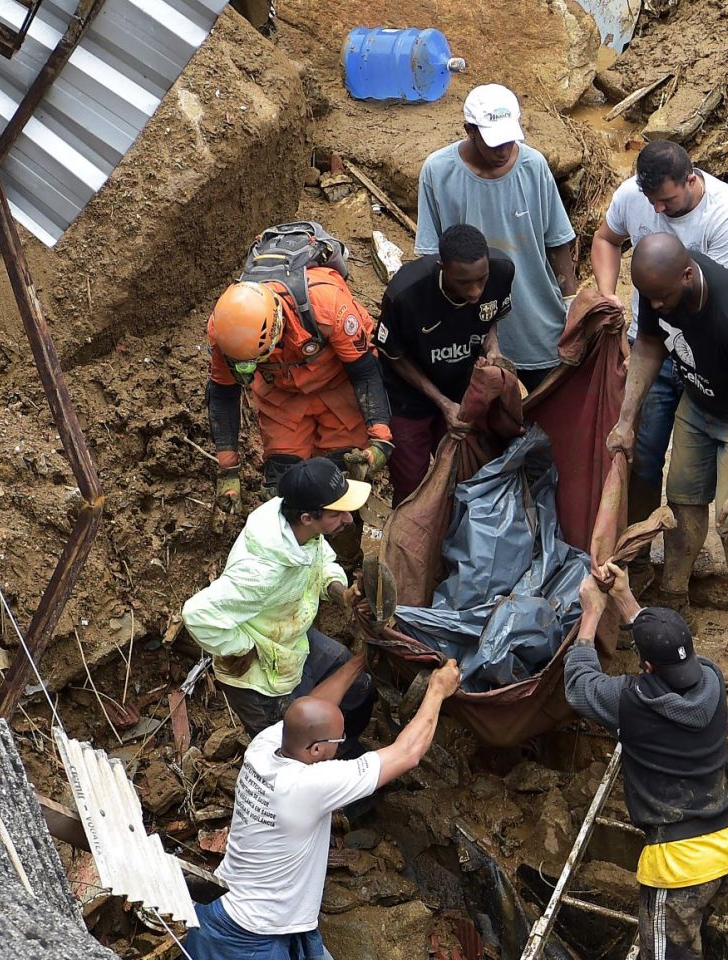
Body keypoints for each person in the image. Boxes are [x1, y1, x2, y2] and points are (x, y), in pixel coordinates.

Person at [606, 234, 728, 685]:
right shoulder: (660, 286)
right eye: (651, 298)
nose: (658, 306)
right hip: (701, 399)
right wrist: (626, 420)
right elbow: (650, 346)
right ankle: (675, 597)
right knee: (683, 500)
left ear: (688, 276)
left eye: (665, 298)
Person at [186, 658, 462, 960]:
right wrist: (437, 690)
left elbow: (313, 706)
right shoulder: (309, 786)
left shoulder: (265, 746)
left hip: (232, 909)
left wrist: (363, 659)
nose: (341, 744)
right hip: (251, 938)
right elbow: (407, 753)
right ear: (316, 749)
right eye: (339, 739)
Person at [590, 141, 728, 588]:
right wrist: (609, 294)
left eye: (669, 200)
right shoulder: (633, 196)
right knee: (640, 454)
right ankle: (637, 554)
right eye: (653, 202)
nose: (659, 209)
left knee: (688, 472)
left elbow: (715, 307)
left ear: (692, 179)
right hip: (650, 346)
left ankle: (681, 569)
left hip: (705, 354)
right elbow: (606, 239)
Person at [564, 564, 728, 960]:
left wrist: (591, 613)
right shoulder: (713, 680)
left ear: (645, 667)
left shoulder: (636, 702)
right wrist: (626, 598)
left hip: (678, 869)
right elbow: (662, 652)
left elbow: (578, 687)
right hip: (725, 854)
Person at [203, 265, 393, 564]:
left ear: (276, 330)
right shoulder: (225, 333)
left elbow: (366, 373)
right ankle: (292, 564)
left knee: (337, 481)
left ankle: (343, 559)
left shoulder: (328, 307)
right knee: (283, 487)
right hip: (282, 396)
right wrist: (228, 469)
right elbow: (223, 393)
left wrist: (380, 439)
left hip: (337, 387)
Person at [182, 458, 376, 741]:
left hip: (292, 636)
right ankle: (324, 766)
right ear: (308, 517)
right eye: (338, 514)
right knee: (294, 743)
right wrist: (242, 647)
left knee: (357, 687)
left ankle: (344, 746)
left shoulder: (299, 526)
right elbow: (196, 614)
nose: (348, 519)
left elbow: (320, 560)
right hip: (261, 675)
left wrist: (340, 592)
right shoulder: (261, 571)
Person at [413, 83, 577, 392]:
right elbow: (429, 257)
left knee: (549, 416)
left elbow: (557, 242)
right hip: (469, 326)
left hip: (536, 319)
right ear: (470, 131)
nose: (503, 151)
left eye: (508, 140)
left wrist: (570, 301)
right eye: (493, 143)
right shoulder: (438, 172)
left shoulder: (533, 166)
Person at [377, 223, 514, 503]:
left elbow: (490, 319)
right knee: (411, 481)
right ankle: (407, 542)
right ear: (442, 267)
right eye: (464, 282)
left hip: (459, 388)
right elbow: (395, 356)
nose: (476, 291)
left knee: (463, 472)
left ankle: (455, 539)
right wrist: (441, 402)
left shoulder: (502, 271)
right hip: (407, 398)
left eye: (481, 279)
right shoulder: (405, 293)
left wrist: (493, 347)